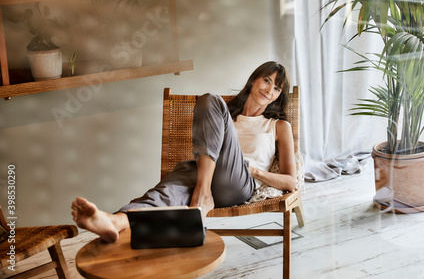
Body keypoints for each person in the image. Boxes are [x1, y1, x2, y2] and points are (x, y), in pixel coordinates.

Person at [71, 61, 296, 243]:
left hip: (238, 183)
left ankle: (203, 193)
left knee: (210, 99)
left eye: (276, 88)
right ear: (254, 80)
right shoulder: (225, 115)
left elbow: (290, 182)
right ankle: (113, 221)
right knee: (163, 194)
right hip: (201, 172)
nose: (269, 90)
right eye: (267, 80)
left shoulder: (277, 126)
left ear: (279, 96)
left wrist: (254, 171)